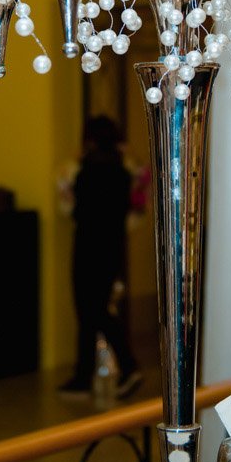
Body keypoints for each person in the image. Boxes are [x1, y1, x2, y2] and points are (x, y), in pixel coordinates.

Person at [59, 116, 142, 401]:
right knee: (96, 309)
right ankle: (85, 375)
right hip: (112, 248)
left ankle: (125, 366)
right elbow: (132, 210)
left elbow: (74, 210)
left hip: (87, 247)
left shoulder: (83, 171)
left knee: (89, 310)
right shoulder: (123, 171)